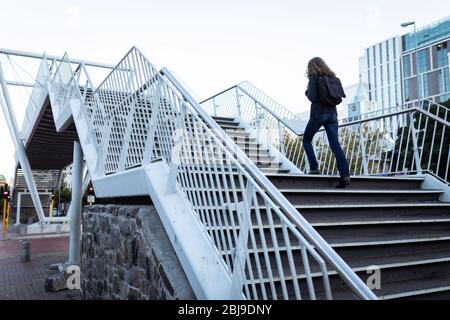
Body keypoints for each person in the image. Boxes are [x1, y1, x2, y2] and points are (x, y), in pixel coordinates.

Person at [303, 57, 351, 188]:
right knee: (335, 145)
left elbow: (312, 97)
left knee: (306, 140)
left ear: (312, 67)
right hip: (332, 116)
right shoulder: (333, 79)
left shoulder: (314, 78)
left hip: (318, 114)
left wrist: (307, 91)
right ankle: (345, 175)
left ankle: (314, 168)